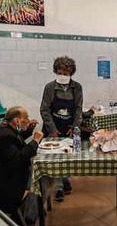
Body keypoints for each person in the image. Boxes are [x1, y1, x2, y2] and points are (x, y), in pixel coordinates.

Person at [0, 106, 44, 223]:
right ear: (17, 120)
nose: (28, 120)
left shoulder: (5, 130)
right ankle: (31, 215)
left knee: (38, 172)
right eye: (26, 118)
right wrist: (35, 141)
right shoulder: (4, 136)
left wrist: (28, 130)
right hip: (7, 187)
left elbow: (16, 141)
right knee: (41, 177)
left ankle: (31, 211)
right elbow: (19, 157)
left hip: (8, 175)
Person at [40, 56, 83, 202]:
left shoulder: (77, 87)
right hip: (53, 127)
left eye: (66, 73)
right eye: (60, 72)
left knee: (68, 155)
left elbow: (78, 109)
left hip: (69, 127)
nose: (63, 76)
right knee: (56, 157)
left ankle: (67, 180)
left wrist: (75, 126)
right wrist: (51, 128)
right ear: (55, 71)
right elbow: (44, 109)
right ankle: (58, 187)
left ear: (71, 73)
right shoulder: (49, 87)